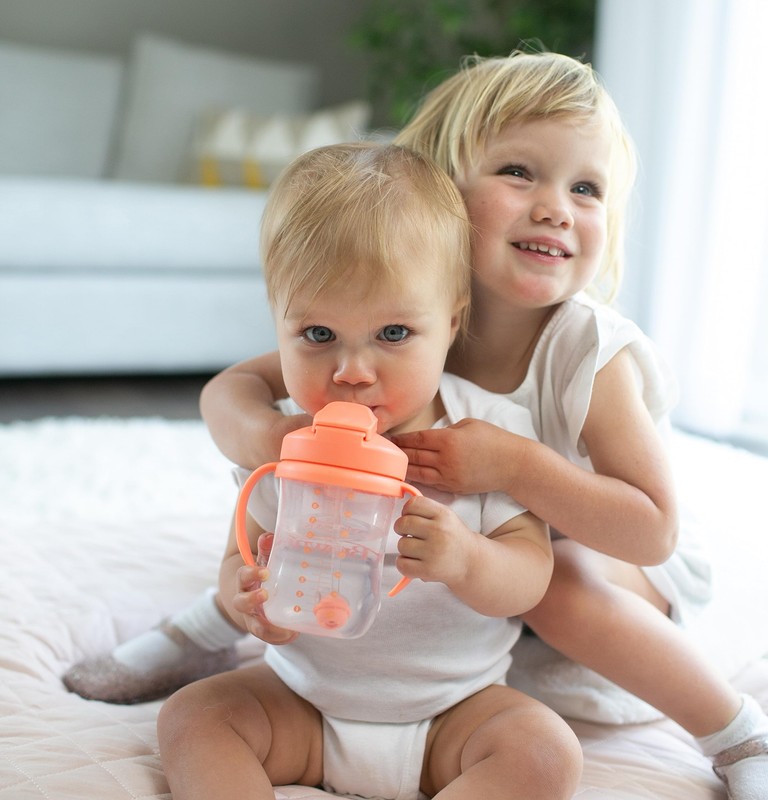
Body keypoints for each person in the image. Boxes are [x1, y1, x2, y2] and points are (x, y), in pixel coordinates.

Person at [63, 52, 768, 798]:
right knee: (302, 539)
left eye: (585, 188)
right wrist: (274, 445)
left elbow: (653, 530)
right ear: (443, 191)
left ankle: (737, 733)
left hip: (601, 550)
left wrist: (512, 465)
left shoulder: (587, 350)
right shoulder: (397, 317)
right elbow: (230, 393)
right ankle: (211, 625)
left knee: (552, 586)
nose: (556, 207)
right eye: (519, 173)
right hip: (455, 571)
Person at [156, 141, 583, 800]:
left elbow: (529, 577)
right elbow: (239, 555)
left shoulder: (484, 435)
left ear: (451, 323)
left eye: (393, 334)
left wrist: (466, 558)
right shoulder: (287, 441)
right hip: (302, 704)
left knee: (546, 753)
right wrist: (249, 601)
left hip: (453, 714)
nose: (352, 372)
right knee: (193, 719)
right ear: (278, 326)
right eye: (318, 335)